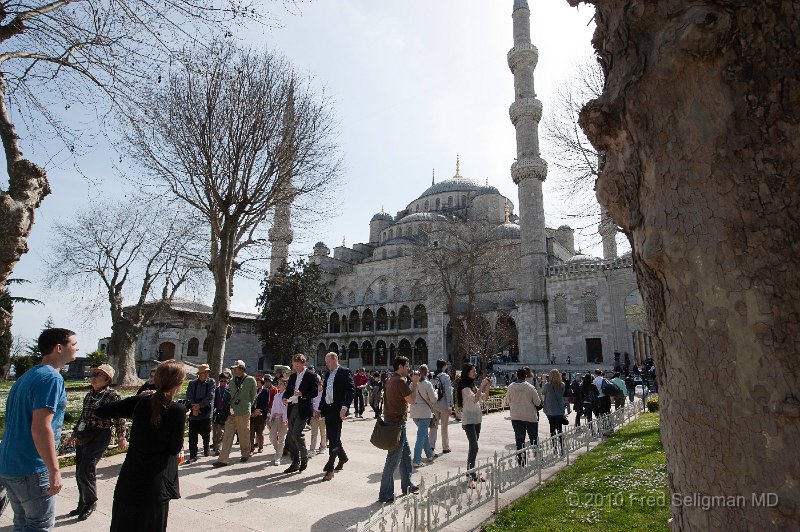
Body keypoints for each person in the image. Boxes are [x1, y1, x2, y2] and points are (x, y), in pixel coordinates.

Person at [95, 359, 185, 532]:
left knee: (124, 524)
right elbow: (175, 448)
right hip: (155, 482)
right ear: (179, 383)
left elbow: (102, 411)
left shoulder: (141, 402)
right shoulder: (177, 410)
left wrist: (138, 398)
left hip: (130, 478)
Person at [0, 328, 76, 531]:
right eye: (73, 344)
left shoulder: (26, 376)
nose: (77, 348)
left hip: (10, 465)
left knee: (22, 523)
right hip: (32, 467)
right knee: (38, 526)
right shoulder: (51, 378)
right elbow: (42, 427)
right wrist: (54, 470)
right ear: (59, 348)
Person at [68, 363, 127, 520]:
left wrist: (122, 436)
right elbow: (83, 417)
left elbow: (119, 417)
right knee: (79, 470)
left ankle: (91, 502)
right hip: (85, 434)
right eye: (92, 375)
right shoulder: (89, 395)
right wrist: (75, 432)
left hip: (101, 435)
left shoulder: (111, 396)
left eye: (97, 375)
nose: (93, 378)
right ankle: (82, 502)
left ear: (107, 379)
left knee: (86, 469)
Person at [378, 356, 419, 503]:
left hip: (393, 422)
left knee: (405, 455)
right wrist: (414, 384)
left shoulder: (391, 380)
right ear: (400, 367)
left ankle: (407, 484)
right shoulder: (400, 382)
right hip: (397, 425)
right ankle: (385, 493)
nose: (409, 369)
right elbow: (413, 401)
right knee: (393, 459)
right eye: (407, 366)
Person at [213, 360, 257, 466]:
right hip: (232, 411)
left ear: (242, 368)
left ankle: (245, 453)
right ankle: (223, 459)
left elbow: (253, 396)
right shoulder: (232, 381)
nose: (235, 370)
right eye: (234, 368)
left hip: (243, 411)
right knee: (227, 435)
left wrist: (247, 405)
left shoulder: (251, 380)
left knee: (243, 434)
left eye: (237, 368)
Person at [319, 352, 355, 481]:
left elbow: (351, 390)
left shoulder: (344, 372)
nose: (326, 364)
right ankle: (343, 457)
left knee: (334, 439)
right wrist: (319, 408)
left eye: (328, 362)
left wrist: (344, 408)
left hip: (338, 409)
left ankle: (330, 469)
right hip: (328, 409)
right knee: (332, 436)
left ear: (335, 359)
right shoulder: (328, 374)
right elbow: (325, 393)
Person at [282, 353, 319, 474]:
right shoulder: (292, 377)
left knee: (297, 433)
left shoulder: (311, 375)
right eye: (294, 365)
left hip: (303, 408)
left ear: (303, 363)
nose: (296, 368)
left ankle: (304, 458)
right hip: (292, 407)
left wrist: (302, 393)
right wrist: (284, 398)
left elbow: (314, 392)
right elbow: (287, 391)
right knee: (291, 436)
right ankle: (295, 462)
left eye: (298, 365)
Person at [457, 362, 491, 489]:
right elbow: (474, 399)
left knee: (473, 447)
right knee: (474, 447)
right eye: (473, 371)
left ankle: (472, 472)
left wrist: (486, 387)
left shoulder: (472, 386)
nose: (475, 373)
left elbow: (484, 398)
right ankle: (470, 476)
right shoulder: (464, 387)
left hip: (477, 419)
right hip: (469, 420)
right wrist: (482, 385)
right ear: (467, 372)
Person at [506, 367, 541, 465]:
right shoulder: (530, 387)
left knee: (519, 439)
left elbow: (508, 401)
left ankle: (521, 461)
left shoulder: (510, 387)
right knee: (534, 438)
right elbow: (538, 402)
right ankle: (538, 458)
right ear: (526, 376)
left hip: (516, 416)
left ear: (517, 375)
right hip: (530, 416)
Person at [185, 363, 215, 463]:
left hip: (205, 413)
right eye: (205, 372)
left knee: (205, 434)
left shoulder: (211, 382)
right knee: (192, 435)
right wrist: (194, 406)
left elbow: (210, 396)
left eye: (207, 372)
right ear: (199, 374)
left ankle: (206, 448)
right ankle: (193, 455)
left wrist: (200, 405)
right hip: (194, 413)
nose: (207, 374)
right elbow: (188, 396)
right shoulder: (192, 383)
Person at [411, 364, 438, 467]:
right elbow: (434, 400)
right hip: (424, 413)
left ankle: (430, 454)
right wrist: (436, 392)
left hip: (414, 412)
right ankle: (417, 460)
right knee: (421, 436)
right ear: (427, 372)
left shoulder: (413, 383)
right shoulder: (427, 384)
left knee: (423, 435)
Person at [428, 359, 453, 455]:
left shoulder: (431, 375)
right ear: (444, 366)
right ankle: (445, 447)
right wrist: (449, 405)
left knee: (433, 427)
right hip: (443, 406)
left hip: (434, 405)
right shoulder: (445, 377)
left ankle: (431, 446)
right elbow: (448, 392)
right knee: (444, 427)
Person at [542, 369, 567, 453]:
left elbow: (543, 392)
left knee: (552, 429)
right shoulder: (562, 384)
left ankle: (555, 447)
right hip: (559, 408)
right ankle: (562, 447)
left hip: (550, 409)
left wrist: (544, 382)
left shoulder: (547, 385)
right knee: (559, 429)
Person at [268, 379, 289, 466]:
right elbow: (273, 407)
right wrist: (270, 418)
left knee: (281, 437)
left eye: (281, 384)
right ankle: (278, 450)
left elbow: (286, 409)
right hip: (275, 418)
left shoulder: (287, 395)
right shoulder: (276, 395)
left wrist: (285, 419)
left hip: (283, 418)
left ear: (285, 385)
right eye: (278, 384)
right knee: (272, 437)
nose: (279, 385)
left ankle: (278, 456)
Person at [211, 373, 231, 455]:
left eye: (225, 381)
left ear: (227, 381)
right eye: (221, 381)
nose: (223, 382)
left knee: (221, 431)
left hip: (224, 413)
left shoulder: (229, 391)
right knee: (215, 431)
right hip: (216, 412)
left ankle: (218, 448)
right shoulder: (216, 390)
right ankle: (215, 444)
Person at [250, 375, 271, 454]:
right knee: (251, 432)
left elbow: (266, 403)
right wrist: (252, 411)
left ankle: (260, 447)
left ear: (261, 382)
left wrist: (260, 410)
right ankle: (251, 449)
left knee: (259, 432)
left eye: (258, 381)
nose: (256, 383)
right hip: (252, 414)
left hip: (261, 415)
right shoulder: (252, 390)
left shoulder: (265, 391)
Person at [309, 375, 327, 456]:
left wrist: (321, 413)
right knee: (314, 433)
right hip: (314, 415)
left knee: (323, 432)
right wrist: (313, 412)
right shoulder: (313, 393)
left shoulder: (325, 394)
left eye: (320, 384)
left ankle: (323, 446)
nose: (318, 386)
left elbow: (326, 405)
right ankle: (312, 449)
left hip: (322, 416)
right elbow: (311, 404)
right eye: (317, 384)